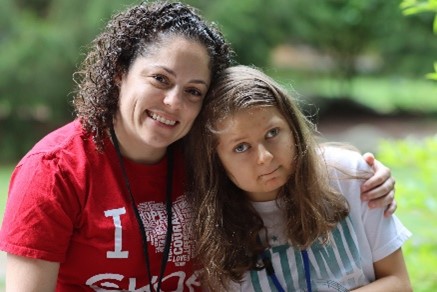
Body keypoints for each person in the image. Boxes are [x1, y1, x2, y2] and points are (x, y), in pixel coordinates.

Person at [0, 1, 395, 291]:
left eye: (193, 91)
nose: (174, 103)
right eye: (160, 79)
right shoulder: (54, 172)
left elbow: (265, 149)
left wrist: (361, 173)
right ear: (120, 73)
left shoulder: (198, 154)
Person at [186, 65, 412, 291]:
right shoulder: (206, 224)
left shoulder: (349, 176)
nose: (265, 157)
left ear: (292, 127)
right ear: (215, 160)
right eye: (241, 147)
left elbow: (400, 283)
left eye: (272, 133)